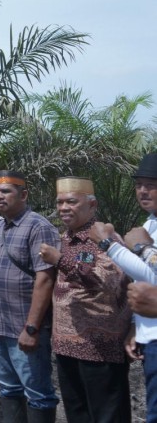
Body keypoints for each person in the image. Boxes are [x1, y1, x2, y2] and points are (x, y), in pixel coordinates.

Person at [39, 176, 132, 423]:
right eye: (60, 202)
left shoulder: (105, 238)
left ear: (92, 205)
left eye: (71, 201)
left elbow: (104, 281)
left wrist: (60, 260)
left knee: (107, 415)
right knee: (77, 412)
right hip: (66, 345)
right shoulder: (65, 238)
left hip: (99, 348)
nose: (63, 208)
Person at [0, 171, 60, 423]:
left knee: (38, 393)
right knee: (8, 388)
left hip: (24, 326)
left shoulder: (38, 227)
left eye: (6, 191)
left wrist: (32, 328)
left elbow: (45, 279)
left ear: (23, 195)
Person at [88, 152, 157, 423]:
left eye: (151, 184)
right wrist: (136, 327)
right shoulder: (150, 222)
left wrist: (110, 245)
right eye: (139, 184)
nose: (142, 190)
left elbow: (152, 276)